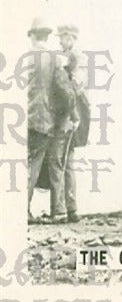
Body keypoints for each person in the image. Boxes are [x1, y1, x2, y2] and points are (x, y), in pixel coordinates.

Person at [25, 17, 77, 224]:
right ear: (47, 36)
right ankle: (60, 211)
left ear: (33, 36)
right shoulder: (54, 59)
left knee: (32, 164)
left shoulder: (25, 58)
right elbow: (65, 91)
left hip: (26, 119)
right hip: (47, 120)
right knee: (52, 164)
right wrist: (72, 114)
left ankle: (23, 210)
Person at [57, 25, 91, 223]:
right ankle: (70, 208)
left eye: (62, 38)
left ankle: (67, 209)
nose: (60, 41)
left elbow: (76, 87)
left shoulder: (76, 57)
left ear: (70, 38)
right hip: (72, 113)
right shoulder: (73, 57)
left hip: (73, 114)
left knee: (65, 160)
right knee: (66, 160)